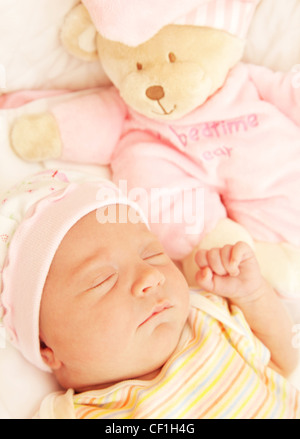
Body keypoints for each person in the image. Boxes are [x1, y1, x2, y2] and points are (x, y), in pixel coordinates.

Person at [0, 169, 299, 419]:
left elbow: (283, 363)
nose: (150, 276)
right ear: (46, 349)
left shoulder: (211, 317)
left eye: (153, 254)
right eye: (102, 280)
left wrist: (252, 294)